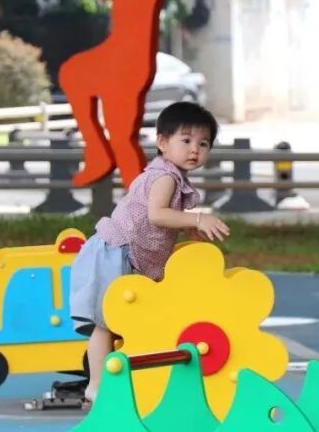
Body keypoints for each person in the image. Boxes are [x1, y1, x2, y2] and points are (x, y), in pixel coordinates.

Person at [70, 101, 230, 406]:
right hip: (115, 251)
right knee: (107, 322)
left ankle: (120, 380)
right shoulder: (165, 177)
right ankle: (96, 385)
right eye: (186, 140)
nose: (194, 149)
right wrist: (198, 218)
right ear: (162, 143)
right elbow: (158, 214)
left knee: (123, 321)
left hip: (125, 254)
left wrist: (189, 227)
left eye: (203, 143)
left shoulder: (171, 175)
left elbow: (161, 218)